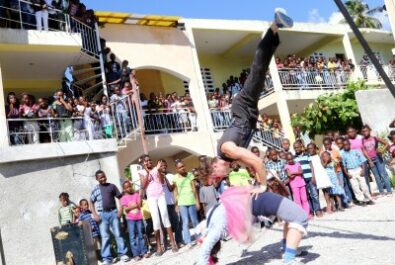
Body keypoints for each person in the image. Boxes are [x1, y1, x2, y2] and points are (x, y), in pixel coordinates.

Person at [211, 9, 294, 195]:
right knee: (261, 69)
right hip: (246, 112)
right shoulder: (231, 157)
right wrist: (258, 179)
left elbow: (256, 162)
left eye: (216, 172)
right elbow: (253, 162)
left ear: (216, 164)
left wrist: (263, 185)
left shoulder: (227, 150)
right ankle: (275, 31)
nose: (220, 175)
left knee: (258, 69)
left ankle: (275, 25)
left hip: (244, 107)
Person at [197, 187, 308, 265]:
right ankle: (288, 257)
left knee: (297, 217)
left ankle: (287, 251)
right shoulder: (210, 223)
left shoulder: (216, 230)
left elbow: (205, 250)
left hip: (257, 201)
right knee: (300, 217)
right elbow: (206, 247)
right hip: (257, 201)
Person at [139, 155, 178, 255]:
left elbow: (161, 181)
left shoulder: (157, 169)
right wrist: (148, 172)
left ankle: (173, 243)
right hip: (151, 198)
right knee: (156, 221)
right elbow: (143, 186)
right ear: (144, 163)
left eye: (150, 160)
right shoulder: (142, 172)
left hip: (161, 195)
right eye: (146, 161)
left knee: (165, 217)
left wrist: (159, 171)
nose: (149, 162)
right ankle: (159, 247)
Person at [89, 170, 130, 265]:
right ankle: (107, 258)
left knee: (118, 234)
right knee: (105, 236)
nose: (103, 179)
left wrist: (120, 211)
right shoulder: (96, 189)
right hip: (102, 215)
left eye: (104, 176)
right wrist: (94, 214)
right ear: (97, 179)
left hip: (113, 212)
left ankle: (123, 254)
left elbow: (120, 198)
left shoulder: (112, 186)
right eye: (100, 178)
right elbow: (91, 201)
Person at [173, 160, 201, 248]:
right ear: (176, 169)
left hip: (191, 200)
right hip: (181, 203)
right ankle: (188, 241)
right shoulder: (175, 178)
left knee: (194, 220)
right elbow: (175, 191)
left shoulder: (190, 175)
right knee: (185, 222)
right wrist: (176, 204)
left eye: (183, 166)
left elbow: (194, 189)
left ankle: (199, 238)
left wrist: (197, 201)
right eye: (180, 167)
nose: (183, 168)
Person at [120, 181, 149, 261]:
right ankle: (136, 254)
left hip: (139, 218)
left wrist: (131, 206)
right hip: (130, 220)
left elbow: (139, 205)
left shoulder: (136, 195)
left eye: (129, 186)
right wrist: (134, 205)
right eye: (126, 187)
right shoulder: (123, 198)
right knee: (132, 237)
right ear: (124, 189)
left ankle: (144, 251)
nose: (128, 188)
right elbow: (125, 209)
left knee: (141, 235)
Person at [361, 125, 392, 196]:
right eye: (363, 131)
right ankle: (382, 192)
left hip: (378, 158)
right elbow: (364, 151)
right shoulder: (362, 141)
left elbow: (386, 143)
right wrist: (370, 161)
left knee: (383, 174)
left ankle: (389, 191)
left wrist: (382, 150)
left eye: (366, 131)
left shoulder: (375, 138)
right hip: (370, 160)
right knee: (376, 176)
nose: (365, 132)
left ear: (369, 130)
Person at [340, 140, 374, 206]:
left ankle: (368, 199)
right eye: (344, 145)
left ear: (350, 144)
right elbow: (344, 166)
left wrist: (363, 170)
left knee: (364, 186)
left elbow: (363, 161)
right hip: (351, 171)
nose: (346, 146)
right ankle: (361, 200)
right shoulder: (343, 155)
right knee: (355, 187)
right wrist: (347, 174)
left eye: (347, 144)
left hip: (359, 169)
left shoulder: (356, 151)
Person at [294, 141, 322, 217]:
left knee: (314, 194)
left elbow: (311, 166)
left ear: (301, 147)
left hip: (310, 178)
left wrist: (313, 176)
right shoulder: (294, 158)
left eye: (298, 147)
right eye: (295, 148)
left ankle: (318, 210)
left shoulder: (307, 155)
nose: (297, 149)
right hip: (302, 180)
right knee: (306, 196)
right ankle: (311, 211)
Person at [159, 160, 183, 247]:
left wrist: (165, 177)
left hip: (172, 203)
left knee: (177, 222)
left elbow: (171, 188)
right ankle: (165, 242)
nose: (163, 167)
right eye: (161, 166)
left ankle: (178, 241)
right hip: (162, 204)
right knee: (164, 225)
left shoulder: (171, 176)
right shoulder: (156, 177)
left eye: (165, 165)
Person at [307, 143, 333, 214]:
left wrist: (326, 161)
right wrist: (313, 177)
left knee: (326, 191)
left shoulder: (319, 156)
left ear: (315, 148)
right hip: (314, 176)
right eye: (309, 149)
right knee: (316, 193)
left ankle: (328, 206)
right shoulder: (308, 158)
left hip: (321, 174)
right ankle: (319, 208)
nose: (310, 150)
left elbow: (323, 165)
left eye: (312, 148)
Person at [284, 153, 310, 217]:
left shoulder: (297, 163)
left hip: (302, 183)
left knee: (304, 199)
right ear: (286, 160)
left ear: (293, 158)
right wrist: (297, 173)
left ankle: (307, 214)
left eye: (291, 159)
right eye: (289, 159)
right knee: (298, 201)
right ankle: (301, 215)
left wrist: (293, 173)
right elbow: (290, 176)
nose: (290, 160)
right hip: (294, 185)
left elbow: (301, 172)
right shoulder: (286, 166)